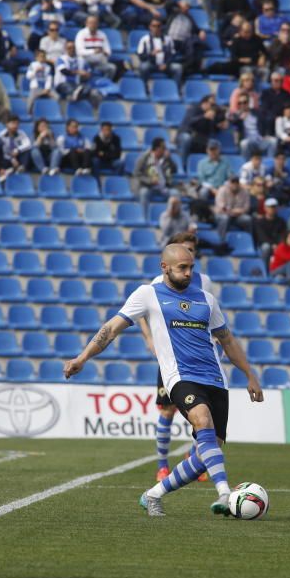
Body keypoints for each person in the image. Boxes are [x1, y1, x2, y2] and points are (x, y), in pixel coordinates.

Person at [64, 243, 264, 517]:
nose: (188, 272)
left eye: (191, 267)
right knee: (202, 420)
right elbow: (111, 329)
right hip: (180, 376)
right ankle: (225, 493)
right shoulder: (149, 294)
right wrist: (82, 358)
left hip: (216, 378)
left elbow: (227, 340)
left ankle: (153, 494)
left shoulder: (206, 299)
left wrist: (250, 375)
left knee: (207, 453)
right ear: (164, 267)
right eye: (182, 267)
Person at [136, 232, 214, 481]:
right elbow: (140, 310)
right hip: (171, 360)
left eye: (191, 249)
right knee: (167, 411)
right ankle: (161, 464)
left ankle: (193, 459)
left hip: (199, 359)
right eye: (183, 249)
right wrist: (149, 339)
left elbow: (211, 317)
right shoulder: (159, 281)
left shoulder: (205, 282)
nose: (188, 253)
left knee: (202, 413)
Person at [133, 137, 178, 217]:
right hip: (149, 186)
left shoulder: (165, 159)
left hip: (163, 187)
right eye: (163, 148)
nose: (165, 150)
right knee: (143, 193)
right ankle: (144, 217)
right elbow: (136, 174)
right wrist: (150, 181)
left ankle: (173, 218)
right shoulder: (144, 158)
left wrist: (170, 159)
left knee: (175, 193)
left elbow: (174, 170)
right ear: (157, 149)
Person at [54, 40, 103, 109]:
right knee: (69, 87)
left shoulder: (81, 59)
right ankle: (73, 94)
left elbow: (88, 71)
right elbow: (63, 71)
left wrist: (87, 75)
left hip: (76, 84)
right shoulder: (61, 59)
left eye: (73, 47)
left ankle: (95, 109)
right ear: (65, 49)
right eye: (69, 48)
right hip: (62, 84)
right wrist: (78, 72)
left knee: (91, 91)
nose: (72, 49)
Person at [136, 17, 182, 87]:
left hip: (165, 65)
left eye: (158, 26)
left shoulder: (168, 39)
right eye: (154, 26)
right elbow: (141, 56)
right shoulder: (144, 39)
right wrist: (150, 54)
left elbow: (172, 55)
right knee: (143, 67)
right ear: (150, 27)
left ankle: (175, 89)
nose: (156, 28)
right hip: (152, 65)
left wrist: (166, 64)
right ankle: (144, 89)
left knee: (178, 67)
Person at [75, 15, 117, 80]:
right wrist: (93, 51)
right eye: (90, 23)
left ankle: (105, 83)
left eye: (95, 23)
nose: (93, 25)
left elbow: (108, 51)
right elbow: (79, 52)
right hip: (86, 63)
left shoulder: (102, 34)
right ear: (86, 24)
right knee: (82, 66)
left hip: (99, 63)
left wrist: (105, 52)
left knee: (112, 68)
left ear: (98, 24)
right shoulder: (81, 34)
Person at [0, 114, 34, 179]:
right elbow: (3, 152)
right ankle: (10, 170)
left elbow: (28, 144)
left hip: (18, 155)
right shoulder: (2, 135)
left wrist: (18, 150)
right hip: (8, 157)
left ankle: (22, 168)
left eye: (17, 124)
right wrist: (12, 159)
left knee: (27, 151)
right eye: (13, 123)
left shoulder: (21, 133)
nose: (15, 126)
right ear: (7, 124)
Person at [214, 175, 252, 239]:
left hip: (237, 216)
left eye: (236, 182)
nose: (235, 184)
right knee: (225, 218)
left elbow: (246, 207)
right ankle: (221, 241)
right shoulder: (222, 190)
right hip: (222, 214)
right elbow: (222, 207)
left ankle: (248, 240)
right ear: (229, 183)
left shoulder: (244, 192)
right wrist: (234, 211)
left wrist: (239, 211)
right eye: (233, 182)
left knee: (248, 219)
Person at [254, 197, 287, 269]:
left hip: (277, 244)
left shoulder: (281, 221)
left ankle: (280, 271)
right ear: (265, 208)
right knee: (266, 247)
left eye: (274, 207)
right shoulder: (260, 222)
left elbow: (283, 235)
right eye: (270, 207)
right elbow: (262, 237)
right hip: (265, 244)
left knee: (284, 246)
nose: (272, 209)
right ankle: (264, 269)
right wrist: (272, 244)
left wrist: (278, 244)